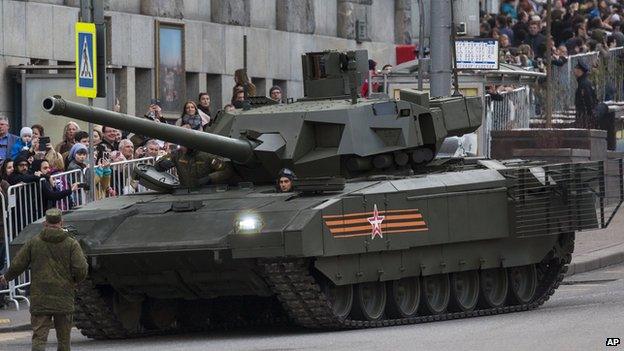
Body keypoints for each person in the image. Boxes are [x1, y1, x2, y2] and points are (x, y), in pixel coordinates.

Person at [0, 208, 88, 351]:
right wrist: (75, 281)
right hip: (64, 297)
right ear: (61, 222)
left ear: (45, 223)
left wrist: (6, 277)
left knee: (39, 338)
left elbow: (18, 264)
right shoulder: (71, 244)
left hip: (40, 298)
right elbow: (81, 269)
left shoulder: (34, 242)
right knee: (64, 341)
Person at [155, 146, 234, 188]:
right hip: (185, 191)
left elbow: (226, 170)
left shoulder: (206, 155)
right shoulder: (177, 154)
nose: (182, 147)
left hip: (206, 190)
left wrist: (210, 178)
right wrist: (161, 164)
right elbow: (157, 166)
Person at [573, 61, 598, 129]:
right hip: (583, 116)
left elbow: (588, 101)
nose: (574, 70)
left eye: (576, 68)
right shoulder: (582, 82)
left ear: (580, 71)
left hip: (584, 117)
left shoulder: (584, 84)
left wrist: (589, 116)